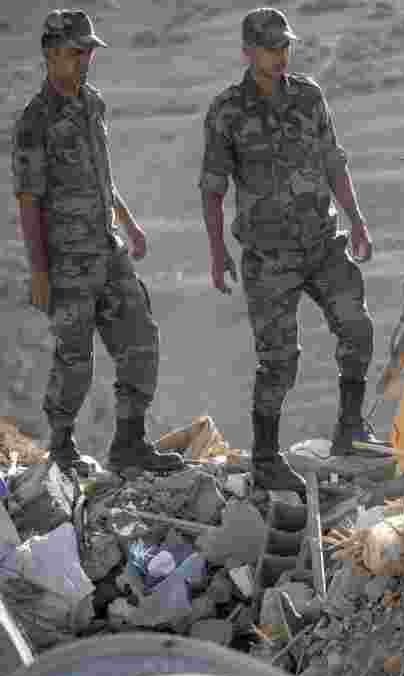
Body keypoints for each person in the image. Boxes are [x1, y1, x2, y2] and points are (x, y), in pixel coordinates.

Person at [199, 8, 376, 492]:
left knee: (357, 329)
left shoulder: (309, 97)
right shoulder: (227, 112)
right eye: (269, 47)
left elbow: (334, 161)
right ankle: (266, 457)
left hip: (322, 243)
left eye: (284, 46)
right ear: (247, 52)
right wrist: (217, 254)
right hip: (268, 256)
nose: (279, 55)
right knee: (279, 360)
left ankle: (351, 427)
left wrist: (357, 220)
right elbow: (212, 188)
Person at [12, 10, 186, 477]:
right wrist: (40, 272)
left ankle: (130, 443)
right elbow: (29, 202)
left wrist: (128, 223)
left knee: (140, 341)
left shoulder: (94, 104)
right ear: (52, 56)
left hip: (108, 251)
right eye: (77, 51)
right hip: (67, 262)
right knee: (75, 359)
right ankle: (63, 446)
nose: (87, 59)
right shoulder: (35, 122)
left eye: (89, 51)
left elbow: (101, 177)